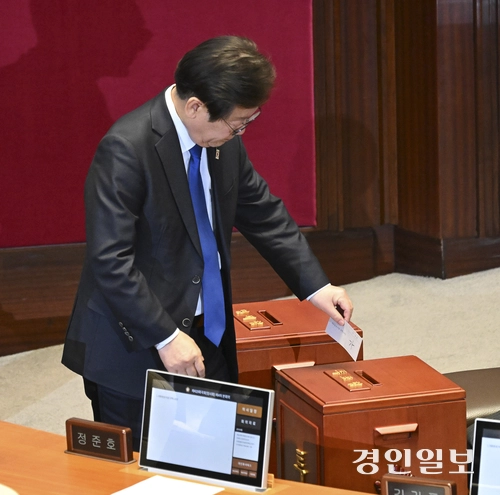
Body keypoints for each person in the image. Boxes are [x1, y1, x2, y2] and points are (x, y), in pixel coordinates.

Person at [62, 35, 353, 451]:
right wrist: (165, 336)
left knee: (212, 459)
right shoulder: (126, 148)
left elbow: (263, 213)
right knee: (142, 468)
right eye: (237, 124)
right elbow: (111, 261)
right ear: (195, 107)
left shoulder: (221, 142)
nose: (240, 133)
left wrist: (316, 287)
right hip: (135, 342)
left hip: (206, 333)